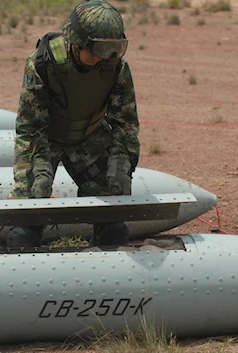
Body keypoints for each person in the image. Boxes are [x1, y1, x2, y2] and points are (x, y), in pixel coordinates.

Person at [8, 0, 140, 248]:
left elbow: (125, 123)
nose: (100, 57)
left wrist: (122, 162)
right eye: (95, 49)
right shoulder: (41, 65)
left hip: (90, 139)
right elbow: (29, 128)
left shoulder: (115, 68)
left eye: (109, 49)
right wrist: (36, 168)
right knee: (26, 221)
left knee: (113, 223)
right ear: (75, 41)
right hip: (45, 141)